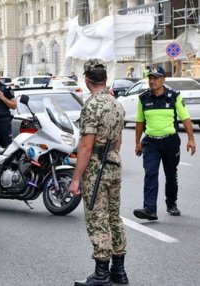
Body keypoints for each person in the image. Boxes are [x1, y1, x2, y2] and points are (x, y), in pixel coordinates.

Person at [69, 59, 128, 286]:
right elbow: (119, 140)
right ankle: (119, 271)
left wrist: (76, 179)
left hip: (97, 167)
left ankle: (102, 273)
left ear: (87, 80)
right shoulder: (116, 104)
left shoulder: (92, 106)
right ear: (104, 79)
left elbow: (86, 146)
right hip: (114, 163)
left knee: (97, 218)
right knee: (114, 217)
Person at [133, 66, 196, 220]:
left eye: (156, 78)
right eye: (150, 78)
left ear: (163, 80)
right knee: (150, 173)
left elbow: (186, 118)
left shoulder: (174, 96)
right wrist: (137, 143)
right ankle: (150, 209)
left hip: (170, 141)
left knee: (170, 175)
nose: (152, 81)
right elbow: (139, 122)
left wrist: (191, 139)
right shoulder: (144, 98)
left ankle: (171, 204)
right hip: (151, 143)